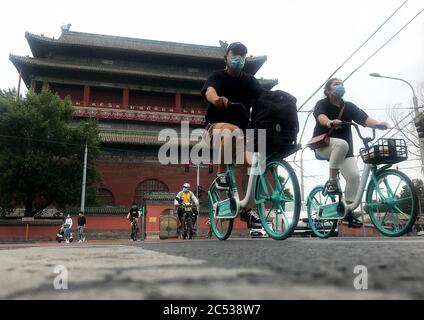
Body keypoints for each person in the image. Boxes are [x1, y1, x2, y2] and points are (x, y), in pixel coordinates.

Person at [201, 41, 265, 228]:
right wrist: (216, 99)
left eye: (243, 55)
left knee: (254, 164)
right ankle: (221, 175)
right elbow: (209, 91)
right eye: (235, 54)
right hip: (215, 130)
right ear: (226, 57)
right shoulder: (217, 76)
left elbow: (263, 96)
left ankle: (248, 208)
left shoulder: (249, 81)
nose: (239, 58)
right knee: (232, 130)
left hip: (241, 138)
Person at [311, 78, 389, 228]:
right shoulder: (322, 103)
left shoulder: (349, 107)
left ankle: (347, 212)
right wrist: (329, 122)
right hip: (323, 145)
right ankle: (332, 180)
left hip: (344, 151)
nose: (341, 86)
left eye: (342, 84)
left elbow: (363, 119)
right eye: (336, 84)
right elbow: (320, 116)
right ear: (328, 90)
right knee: (341, 144)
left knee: (354, 176)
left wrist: (378, 124)